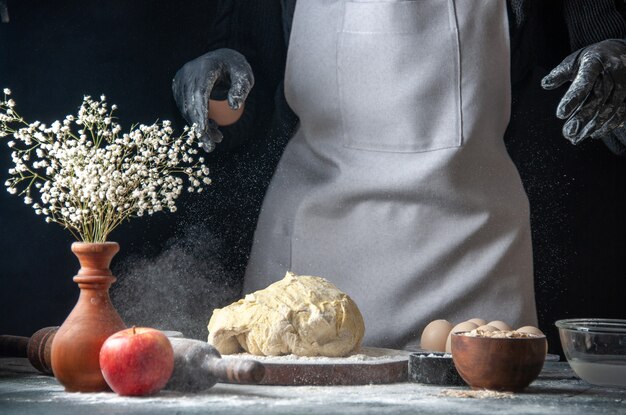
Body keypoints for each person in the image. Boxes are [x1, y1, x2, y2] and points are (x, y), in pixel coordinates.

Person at [172, 0, 626, 348]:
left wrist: (617, 63)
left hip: (476, 264)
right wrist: (215, 90)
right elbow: (241, 98)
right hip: (308, 277)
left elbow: (606, 41)